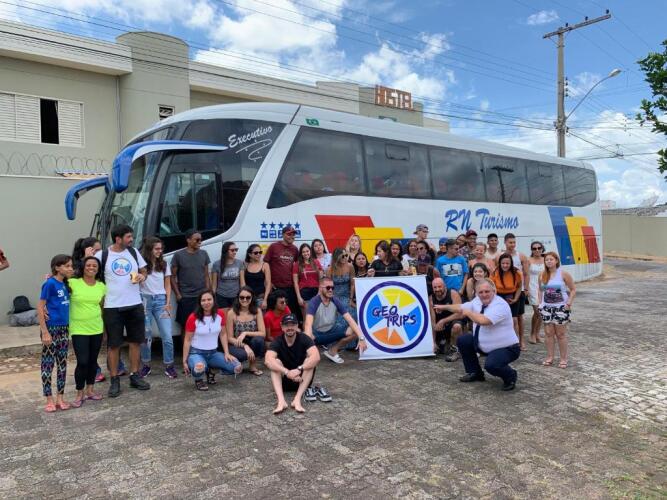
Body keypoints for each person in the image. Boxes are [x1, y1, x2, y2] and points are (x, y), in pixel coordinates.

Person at [95, 224, 150, 397]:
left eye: (131, 236)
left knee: (135, 342)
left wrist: (142, 276)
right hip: (112, 306)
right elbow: (87, 272)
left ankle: (135, 375)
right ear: (118, 239)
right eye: (128, 237)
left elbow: (144, 270)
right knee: (114, 344)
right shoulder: (102, 255)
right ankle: (114, 380)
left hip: (135, 304)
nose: (131, 239)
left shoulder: (133, 252)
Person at [446, 279, 521, 391]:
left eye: (487, 291)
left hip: (507, 348)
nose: (484, 294)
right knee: (464, 340)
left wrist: (469, 313)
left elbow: (483, 321)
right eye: (480, 292)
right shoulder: (477, 301)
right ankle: (475, 373)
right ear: (476, 293)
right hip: (485, 345)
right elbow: (461, 307)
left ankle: (510, 376)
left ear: (494, 291)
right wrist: (442, 307)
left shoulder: (500, 305)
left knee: (491, 365)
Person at [183, 291, 241, 391]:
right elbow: (187, 340)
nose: (206, 302)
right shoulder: (193, 317)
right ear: (200, 302)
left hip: (213, 353)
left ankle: (212, 370)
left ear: (214, 300)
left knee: (237, 367)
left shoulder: (220, 314)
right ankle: (199, 379)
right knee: (199, 367)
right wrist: (184, 361)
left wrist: (227, 353)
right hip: (196, 353)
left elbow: (223, 334)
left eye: (209, 299)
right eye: (203, 300)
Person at [265, 314, 323, 414]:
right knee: (275, 362)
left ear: (297, 326)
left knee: (309, 361)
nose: (290, 328)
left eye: (292, 325)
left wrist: (299, 369)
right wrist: (287, 372)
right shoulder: (278, 341)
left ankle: (297, 399)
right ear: (282, 327)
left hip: (302, 380)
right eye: (287, 325)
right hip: (284, 381)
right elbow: (268, 360)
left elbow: (316, 357)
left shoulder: (304, 338)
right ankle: (281, 401)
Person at [38, 254, 74, 412]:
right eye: (67, 266)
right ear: (57, 267)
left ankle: (60, 398)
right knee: (48, 364)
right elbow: (40, 307)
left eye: (71, 266)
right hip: (51, 328)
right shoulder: (50, 284)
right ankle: (49, 399)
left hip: (64, 328)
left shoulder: (66, 284)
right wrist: (45, 331)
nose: (70, 268)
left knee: (62, 364)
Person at [68, 256, 106, 407]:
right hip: (78, 329)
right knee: (82, 362)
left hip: (96, 327)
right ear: (83, 267)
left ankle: (90, 390)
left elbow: (102, 307)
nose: (91, 268)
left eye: (94, 266)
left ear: (98, 269)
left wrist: (104, 329)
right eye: (88, 265)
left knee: (92, 361)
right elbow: (55, 291)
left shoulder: (102, 286)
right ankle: (79, 393)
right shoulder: (73, 282)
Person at [304, 277, 367, 364]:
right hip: (317, 334)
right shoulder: (314, 302)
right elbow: (308, 324)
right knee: (306, 334)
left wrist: (361, 338)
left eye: (332, 288)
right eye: (328, 287)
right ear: (321, 288)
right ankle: (310, 353)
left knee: (355, 331)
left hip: (332, 331)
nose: (331, 290)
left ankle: (333, 351)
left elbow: (350, 320)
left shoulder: (335, 300)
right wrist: (308, 345)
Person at [139, 236, 176, 379]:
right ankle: (146, 365)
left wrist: (167, 302)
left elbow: (168, 285)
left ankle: (169, 365)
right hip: (145, 300)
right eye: (157, 249)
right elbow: (135, 281)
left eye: (161, 248)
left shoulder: (164, 264)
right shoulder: (141, 265)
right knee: (146, 336)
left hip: (161, 301)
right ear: (149, 249)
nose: (160, 251)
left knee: (167, 336)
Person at [539, 251, 576, 369]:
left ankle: (563, 359)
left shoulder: (563, 274)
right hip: (547, 308)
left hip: (561, 308)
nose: (549, 261)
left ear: (556, 261)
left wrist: (569, 303)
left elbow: (573, 289)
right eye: (546, 260)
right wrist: (540, 304)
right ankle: (550, 357)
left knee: (560, 334)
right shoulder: (542, 275)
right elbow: (540, 290)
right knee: (548, 334)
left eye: (551, 259)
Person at [171, 229, 211, 337]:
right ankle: (186, 348)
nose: (200, 242)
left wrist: (208, 292)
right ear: (188, 240)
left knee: (203, 323)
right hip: (186, 297)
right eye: (197, 239)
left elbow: (206, 275)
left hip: (202, 297)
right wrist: (178, 294)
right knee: (186, 325)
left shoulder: (204, 254)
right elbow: (172, 277)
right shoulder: (178, 255)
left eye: (201, 239)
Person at [225, 286, 266, 376]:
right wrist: (245, 346)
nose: (245, 300)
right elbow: (229, 338)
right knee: (243, 355)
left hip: (251, 341)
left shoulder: (257, 311)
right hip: (236, 343)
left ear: (252, 298)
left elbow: (263, 333)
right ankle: (236, 364)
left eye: (248, 297)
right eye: (242, 297)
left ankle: (252, 365)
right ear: (238, 298)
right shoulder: (231, 313)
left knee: (259, 340)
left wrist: (245, 333)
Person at [264, 224, 299, 320]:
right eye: (289, 234)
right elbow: (265, 264)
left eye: (293, 234)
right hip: (276, 288)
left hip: (290, 288)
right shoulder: (273, 247)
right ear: (283, 235)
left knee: (290, 314)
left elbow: (298, 266)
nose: (292, 236)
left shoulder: (295, 249)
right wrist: (269, 283)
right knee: (275, 313)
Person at [502, 233, 529, 349]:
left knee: (519, 317)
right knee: (508, 318)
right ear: (505, 242)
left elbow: (526, 274)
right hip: (505, 291)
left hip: (519, 289)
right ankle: (509, 341)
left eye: (514, 242)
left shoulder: (521, 256)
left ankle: (521, 340)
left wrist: (526, 288)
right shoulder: (500, 256)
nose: (512, 244)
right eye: (510, 242)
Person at [491, 253, 524, 349]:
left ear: (511, 263)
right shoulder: (495, 273)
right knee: (500, 320)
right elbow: (492, 287)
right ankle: (500, 342)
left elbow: (519, 287)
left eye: (507, 263)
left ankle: (515, 342)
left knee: (514, 319)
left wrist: (516, 299)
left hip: (512, 296)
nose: (505, 265)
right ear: (499, 263)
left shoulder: (517, 273)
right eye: (503, 263)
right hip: (498, 296)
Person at [431, 277, 462, 361]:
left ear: (445, 286)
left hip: (453, 320)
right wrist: (433, 342)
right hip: (440, 326)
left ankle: (455, 351)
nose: (437, 289)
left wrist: (443, 321)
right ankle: (441, 344)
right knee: (442, 350)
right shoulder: (431, 298)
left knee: (457, 326)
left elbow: (460, 313)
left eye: (439, 286)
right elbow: (432, 321)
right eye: (435, 287)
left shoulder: (453, 294)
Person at [293, 243, 323, 318]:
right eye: (303, 252)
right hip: (304, 293)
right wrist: (299, 297)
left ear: (310, 251)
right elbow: (295, 283)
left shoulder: (316, 262)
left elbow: (321, 279)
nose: (306, 253)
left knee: (318, 318)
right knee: (307, 318)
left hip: (316, 292)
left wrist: (319, 293)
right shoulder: (297, 264)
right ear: (301, 253)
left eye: (307, 251)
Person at [211, 241, 243, 310]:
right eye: (232, 250)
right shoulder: (216, 264)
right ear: (225, 251)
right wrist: (212, 297)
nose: (235, 252)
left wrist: (243, 295)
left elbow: (242, 283)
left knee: (235, 314)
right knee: (224, 315)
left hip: (236, 295)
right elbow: (214, 285)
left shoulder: (239, 263)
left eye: (236, 250)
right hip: (221, 295)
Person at [240, 244, 271, 310]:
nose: (258, 254)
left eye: (260, 252)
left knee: (261, 316)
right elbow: (243, 284)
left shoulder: (265, 265)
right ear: (250, 254)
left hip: (261, 298)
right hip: (247, 298)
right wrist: (245, 298)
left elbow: (268, 284)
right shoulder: (245, 265)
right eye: (256, 253)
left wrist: (265, 300)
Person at [527, 241, 546, 344]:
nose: (537, 250)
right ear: (531, 250)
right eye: (534, 248)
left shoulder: (545, 259)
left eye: (539, 248)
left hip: (544, 287)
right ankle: (532, 334)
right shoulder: (528, 260)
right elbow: (525, 275)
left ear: (542, 248)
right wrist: (526, 289)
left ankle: (537, 334)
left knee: (542, 312)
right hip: (532, 286)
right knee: (537, 311)